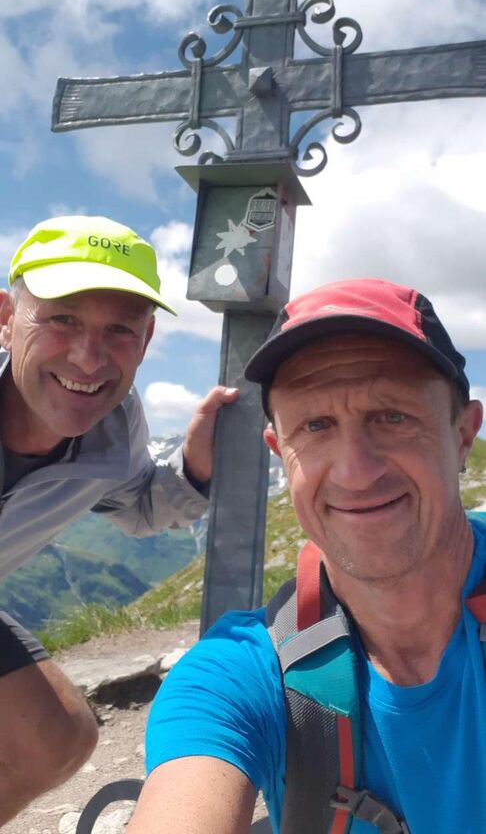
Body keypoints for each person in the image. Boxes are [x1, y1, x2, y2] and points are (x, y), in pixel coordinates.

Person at [127, 278, 486, 834]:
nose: (355, 473)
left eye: (392, 416)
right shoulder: (238, 673)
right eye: (315, 427)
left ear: (463, 433)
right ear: (281, 451)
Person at [0, 214, 238, 825]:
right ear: (5, 317)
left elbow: (136, 504)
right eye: (62, 319)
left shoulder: (114, 425)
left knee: (57, 737)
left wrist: (194, 467)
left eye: (120, 329)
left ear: (147, 338)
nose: (89, 357)